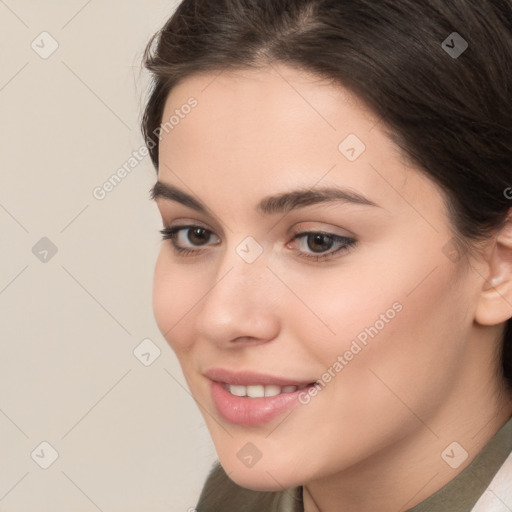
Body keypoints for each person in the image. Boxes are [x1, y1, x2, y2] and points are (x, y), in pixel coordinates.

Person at [140, 0, 512, 510]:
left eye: (319, 240)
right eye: (194, 235)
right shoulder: (234, 500)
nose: (220, 317)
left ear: (498, 266)